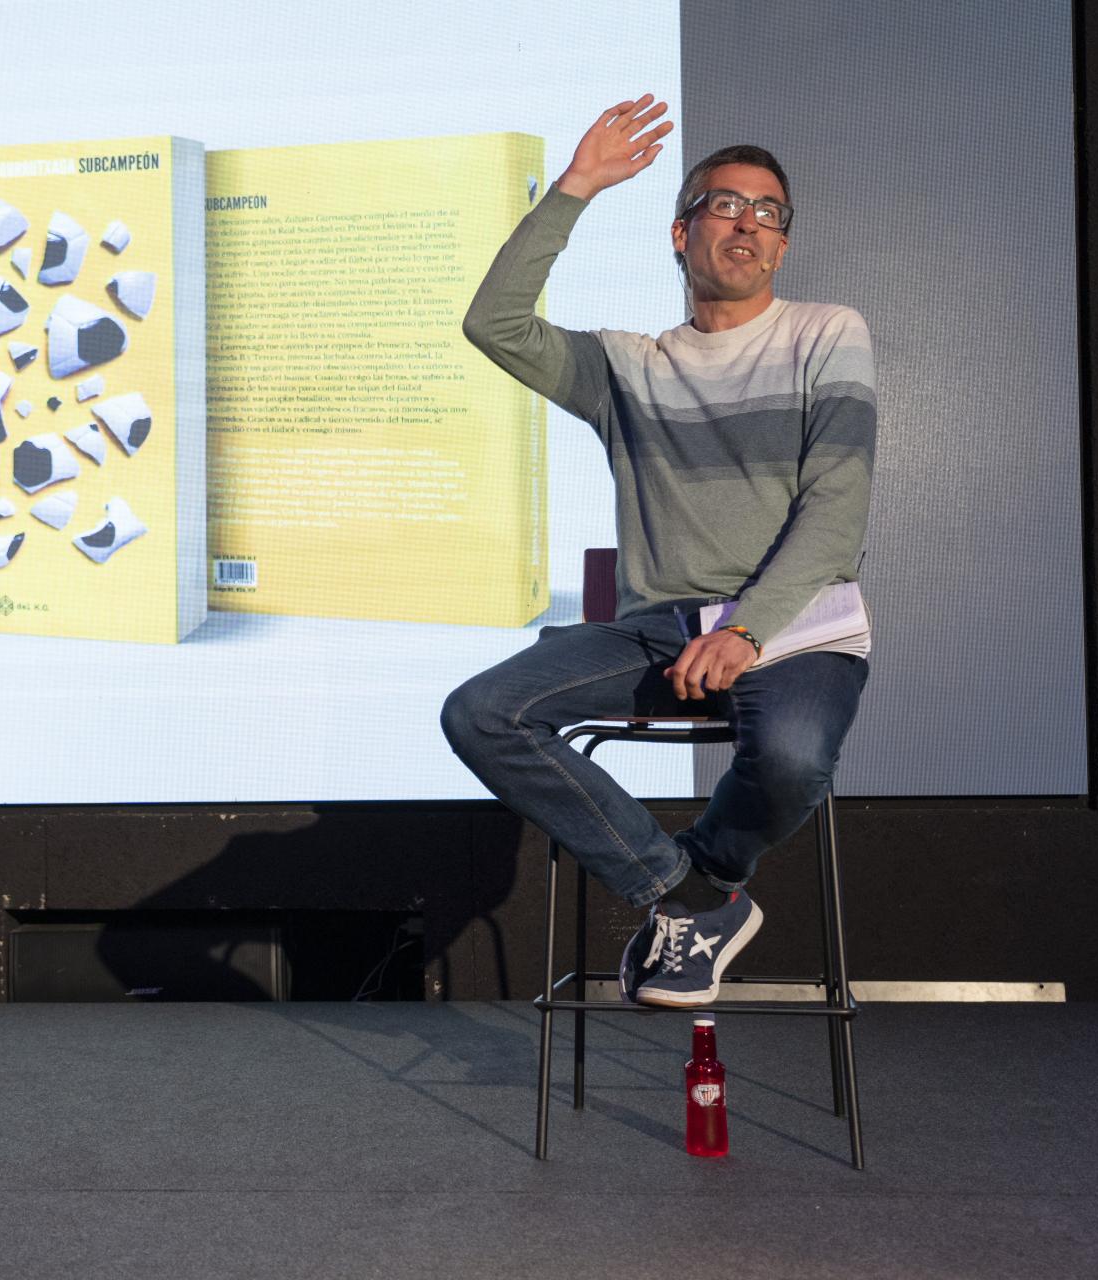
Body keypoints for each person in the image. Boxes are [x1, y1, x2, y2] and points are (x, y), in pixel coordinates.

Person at [443, 96, 875, 1009]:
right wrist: (575, 187)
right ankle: (685, 897)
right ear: (682, 235)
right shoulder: (626, 367)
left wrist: (746, 630)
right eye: (726, 205)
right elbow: (494, 325)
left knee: (793, 759)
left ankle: (706, 880)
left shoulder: (826, 333)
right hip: (659, 632)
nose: (748, 224)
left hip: (792, 627)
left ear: (782, 246)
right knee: (481, 712)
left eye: (768, 214)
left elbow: (836, 510)